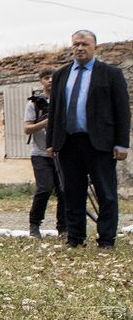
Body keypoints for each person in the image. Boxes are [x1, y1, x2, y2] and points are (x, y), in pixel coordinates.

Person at [48, 30, 129, 249]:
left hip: (100, 144)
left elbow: (122, 110)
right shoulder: (61, 75)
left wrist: (122, 143)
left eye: (85, 44)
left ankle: (106, 240)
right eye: (76, 44)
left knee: (106, 194)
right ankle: (75, 238)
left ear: (95, 47)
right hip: (68, 143)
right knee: (72, 193)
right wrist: (51, 142)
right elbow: (54, 110)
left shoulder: (110, 74)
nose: (80, 48)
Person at [23, 69, 66, 238]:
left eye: (53, 78)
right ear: (41, 81)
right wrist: (47, 122)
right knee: (44, 188)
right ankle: (34, 224)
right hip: (40, 154)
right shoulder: (34, 103)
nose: (50, 81)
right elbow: (27, 129)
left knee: (64, 191)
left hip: (60, 154)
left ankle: (63, 228)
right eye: (47, 78)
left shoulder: (63, 101)